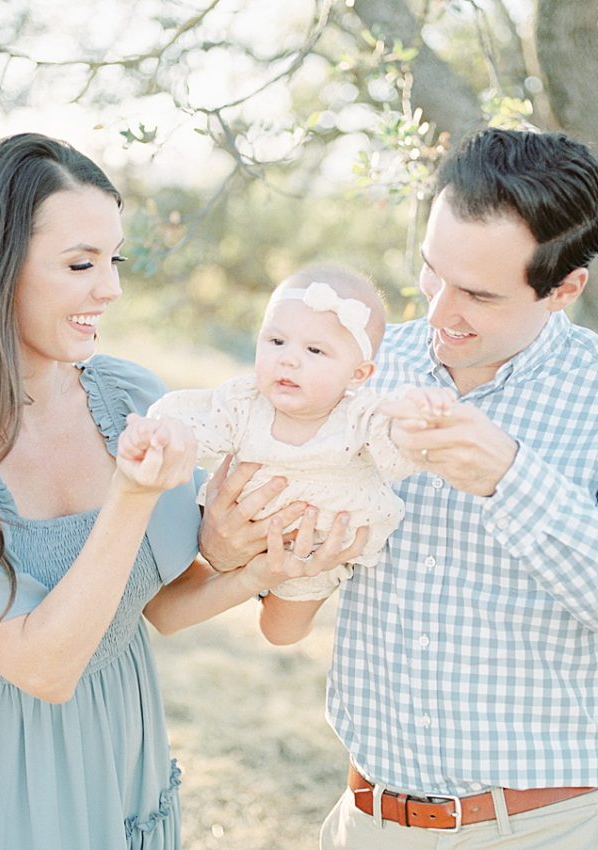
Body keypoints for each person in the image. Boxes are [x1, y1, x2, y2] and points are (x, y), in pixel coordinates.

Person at [200, 127, 598, 848]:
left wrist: (510, 478)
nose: (440, 312)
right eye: (431, 271)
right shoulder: (361, 366)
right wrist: (229, 545)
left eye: (477, 293)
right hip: (370, 821)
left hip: (551, 829)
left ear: (564, 288)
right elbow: (267, 545)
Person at [0, 132, 361, 850]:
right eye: (80, 264)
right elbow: (45, 667)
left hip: (122, 740)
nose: (111, 289)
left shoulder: (132, 397)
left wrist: (258, 571)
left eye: (114, 260)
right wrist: (131, 499)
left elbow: (152, 604)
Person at [142, 265, 455, 601]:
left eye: (315, 350)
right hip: (248, 537)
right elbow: (196, 422)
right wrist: (162, 433)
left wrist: (416, 419)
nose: (288, 359)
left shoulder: (358, 413)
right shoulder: (245, 404)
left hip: (326, 546)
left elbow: (392, 440)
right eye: (276, 341)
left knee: (288, 618)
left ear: (357, 374)